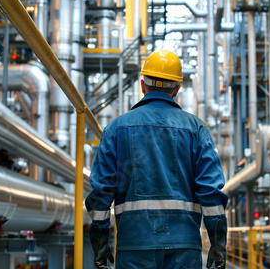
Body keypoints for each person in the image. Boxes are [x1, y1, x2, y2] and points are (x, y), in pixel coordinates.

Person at [85, 49, 228, 269]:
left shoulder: (116, 129)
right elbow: (211, 193)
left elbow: (102, 193)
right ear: (177, 89)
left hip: (134, 245)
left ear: (142, 85)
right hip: (184, 246)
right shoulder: (197, 130)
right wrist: (218, 245)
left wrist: (100, 242)